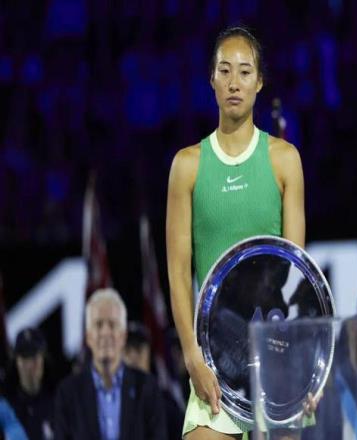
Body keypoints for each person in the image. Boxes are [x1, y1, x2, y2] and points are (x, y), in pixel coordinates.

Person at [166, 26, 308, 439]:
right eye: (224, 70)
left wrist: (302, 365)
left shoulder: (285, 160)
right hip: (215, 366)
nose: (234, 82)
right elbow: (178, 274)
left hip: (277, 360)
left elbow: (297, 273)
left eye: (245, 72)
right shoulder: (187, 166)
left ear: (259, 81)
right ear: (211, 79)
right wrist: (191, 356)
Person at [54, 288, 166, 440]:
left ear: (123, 336)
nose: (105, 332)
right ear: (88, 337)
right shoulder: (67, 393)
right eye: (98, 324)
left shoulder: (148, 388)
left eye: (112, 324)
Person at [124, 321, 184, 439]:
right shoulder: (108, 403)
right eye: (127, 350)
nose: (133, 356)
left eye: (138, 349)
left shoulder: (167, 403)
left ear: (149, 353)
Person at [5, 327, 54, 439]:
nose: (30, 365)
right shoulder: (6, 407)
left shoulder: (59, 403)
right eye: (25, 357)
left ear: (43, 359)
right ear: (16, 361)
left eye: (34, 356)